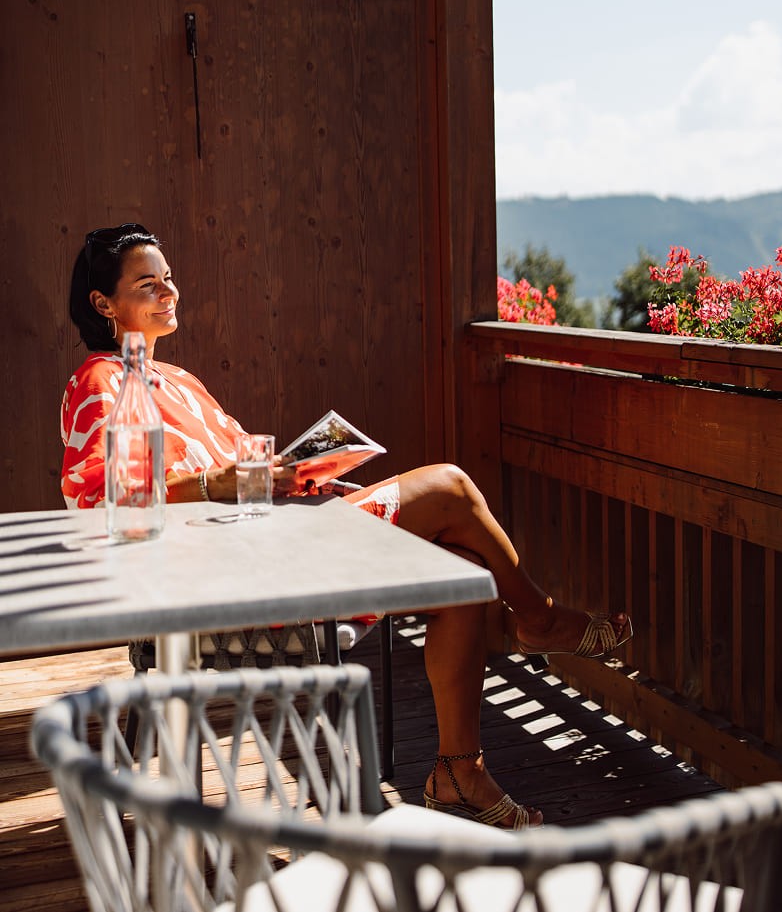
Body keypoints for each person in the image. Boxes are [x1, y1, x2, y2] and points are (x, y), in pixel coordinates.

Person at [62, 222, 633, 830]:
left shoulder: (178, 381)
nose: (168, 292)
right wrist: (217, 483)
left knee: (462, 576)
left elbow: (247, 471)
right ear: (105, 305)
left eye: (169, 278)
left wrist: (303, 474)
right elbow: (97, 495)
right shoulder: (99, 382)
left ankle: (457, 774)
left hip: (273, 544)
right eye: (148, 284)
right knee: (449, 486)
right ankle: (539, 619)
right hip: (232, 582)